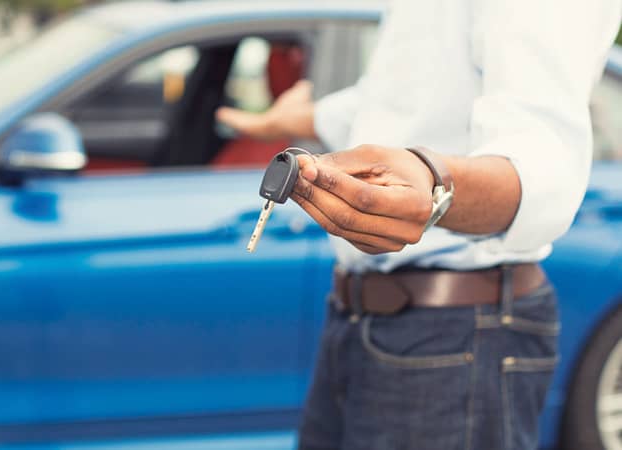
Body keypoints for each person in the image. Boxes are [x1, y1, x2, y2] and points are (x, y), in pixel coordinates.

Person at [216, 1, 622, 449]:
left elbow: (545, 163)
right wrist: (307, 119)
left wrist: (435, 183)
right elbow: (410, 98)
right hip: (357, 319)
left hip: (457, 329)